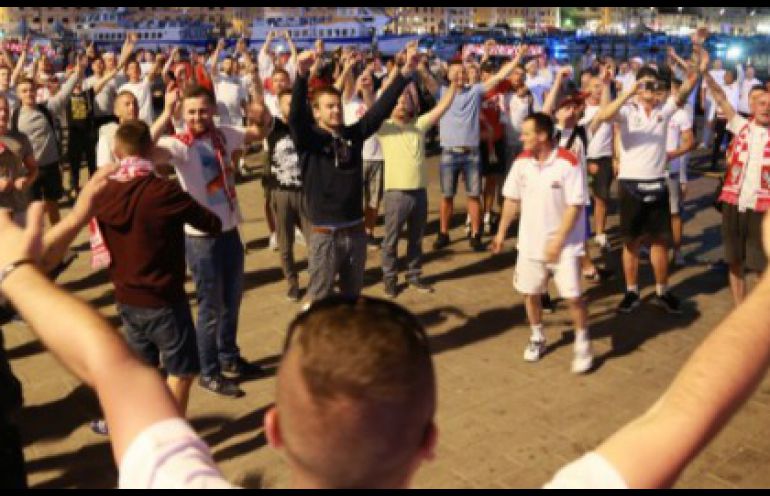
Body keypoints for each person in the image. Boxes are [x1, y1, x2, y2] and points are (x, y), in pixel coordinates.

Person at [87, 120, 221, 435]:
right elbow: (210, 223)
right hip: (163, 298)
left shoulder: (104, 191)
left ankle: (132, 428)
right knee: (182, 371)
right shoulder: (163, 190)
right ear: (150, 149)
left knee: (141, 371)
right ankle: (170, 435)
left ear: (117, 152)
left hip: (125, 297)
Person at [156, 84, 266, 398]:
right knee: (210, 309)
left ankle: (229, 357)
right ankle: (209, 371)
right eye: (191, 111)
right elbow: (142, 150)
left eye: (203, 110)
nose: (197, 116)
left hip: (230, 231)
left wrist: (262, 115)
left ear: (214, 110)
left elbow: (257, 133)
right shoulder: (179, 145)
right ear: (182, 113)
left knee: (232, 302)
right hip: (202, 240)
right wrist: (165, 113)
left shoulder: (224, 135)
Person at [287, 43, 419, 303]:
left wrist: (405, 73)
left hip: (356, 231)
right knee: (320, 298)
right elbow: (295, 119)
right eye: (328, 107)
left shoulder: (353, 135)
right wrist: (302, 78)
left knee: (352, 297)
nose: (336, 110)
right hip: (326, 233)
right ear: (316, 112)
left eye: (337, 105)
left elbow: (380, 110)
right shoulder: (309, 140)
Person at [592, 46, 701, 315]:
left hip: (658, 182)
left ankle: (662, 290)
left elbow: (687, 88)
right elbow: (603, 116)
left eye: (654, 86)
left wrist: (697, 65)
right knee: (631, 242)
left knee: (660, 242)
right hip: (631, 184)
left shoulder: (665, 110)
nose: (651, 92)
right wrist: (629, 90)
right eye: (646, 86)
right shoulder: (628, 111)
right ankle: (632, 291)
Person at [491, 113, 593, 374]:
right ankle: (537, 336)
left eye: (526, 133)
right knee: (531, 293)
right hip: (530, 244)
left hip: (565, 247)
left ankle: (582, 341)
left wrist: (558, 240)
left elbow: (575, 205)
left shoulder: (568, 163)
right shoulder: (521, 162)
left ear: (542, 136)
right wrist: (501, 232)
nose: (521, 137)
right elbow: (512, 200)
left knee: (573, 297)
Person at [419, 46, 528, 252]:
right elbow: (425, 77)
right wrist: (416, 61)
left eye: (463, 72)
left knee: (473, 195)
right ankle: (443, 233)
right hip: (449, 152)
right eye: (456, 72)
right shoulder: (442, 92)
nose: (460, 75)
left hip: (471, 153)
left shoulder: (475, 91)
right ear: (448, 74)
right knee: (447, 196)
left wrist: (518, 58)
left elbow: (498, 77)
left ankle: (476, 234)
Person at [377, 66, 460, 299]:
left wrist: (454, 86)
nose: (402, 104)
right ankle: (390, 278)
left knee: (416, 237)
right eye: (397, 101)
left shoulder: (419, 125)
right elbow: (376, 103)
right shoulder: (384, 127)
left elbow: (443, 107)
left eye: (406, 100)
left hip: (420, 193)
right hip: (396, 194)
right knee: (391, 240)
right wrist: (397, 72)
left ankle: (413, 274)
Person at [701, 48, 770, 306]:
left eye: (769, 104)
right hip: (733, 202)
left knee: (762, 268)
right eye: (761, 103)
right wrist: (704, 72)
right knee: (734, 261)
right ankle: (740, 310)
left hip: (762, 208)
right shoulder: (740, 125)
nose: (766, 108)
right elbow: (719, 97)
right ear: (752, 105)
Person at [250, 93, 311, 302]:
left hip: (305, 193)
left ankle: (318, 279)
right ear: (279, 106)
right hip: (281, 194)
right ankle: (292, 283)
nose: (292, 106)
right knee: (285, 243)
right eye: (288, 103)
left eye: (296, 102)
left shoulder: (307, 125)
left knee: (316, 241)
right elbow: (261, 113)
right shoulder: (274, 126)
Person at [12, 54, 86, 226]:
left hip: (51, 166)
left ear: (36, 91)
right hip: (28, 171)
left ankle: (57, 246)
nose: (29, 93)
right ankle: (38, 246)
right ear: (18, 94)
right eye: (24, 91)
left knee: (53, 206)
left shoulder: (47, 109)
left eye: (31, 90)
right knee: (34, 211)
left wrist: (78, 71)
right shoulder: (13, 117)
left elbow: (64, 93)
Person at [665, 78, 696, 267]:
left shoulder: (682, 115)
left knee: (675, 213)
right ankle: (647, 245)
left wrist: (673, 155)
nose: (672, 95)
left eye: (675, 91)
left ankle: (677, 250)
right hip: (650, 171)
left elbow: (689, 143)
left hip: (672, 171)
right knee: (650, 212)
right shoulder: (656, 110)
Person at [0, 95, 37, 225]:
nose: (3, 113)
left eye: (6, 110)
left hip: (19, 207)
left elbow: (34, 169)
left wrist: (26, 180)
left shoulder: (20, 138)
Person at [711, 68, 739, 171]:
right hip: (720, 119)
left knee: (731, 143)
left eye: (728, 75)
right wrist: (711, 117)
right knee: (717, 141)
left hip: (732, 119)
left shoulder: (736, 86)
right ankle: (713, 163)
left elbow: (741, 73)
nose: (725, 77)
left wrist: (738, 64)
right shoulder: (720, 87)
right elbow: (715, 103)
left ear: (734, 78)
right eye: (725, 75)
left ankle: (730, 163)